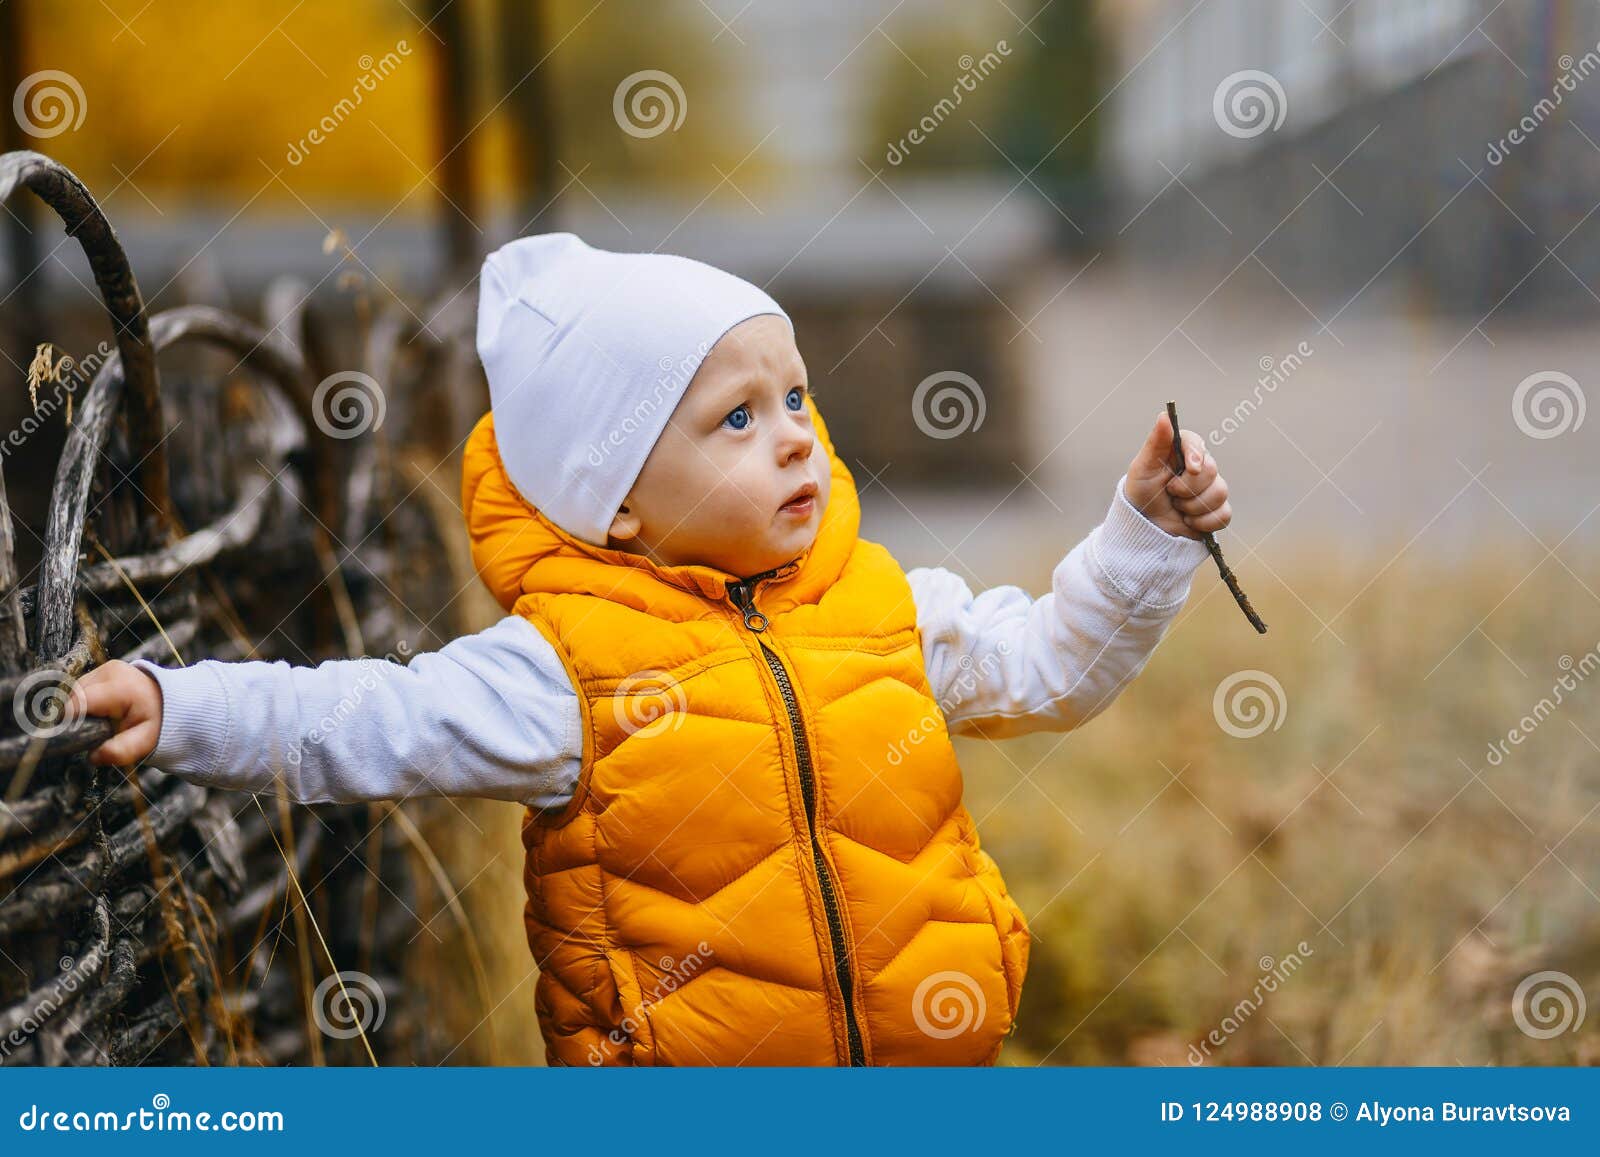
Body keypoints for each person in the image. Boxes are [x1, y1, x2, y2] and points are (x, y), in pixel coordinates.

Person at [74, 232, 1232, 1066]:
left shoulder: (888, 606)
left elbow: (1050, 667)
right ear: (614, 501)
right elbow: (365, 721)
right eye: (735, 418)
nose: (792, 440)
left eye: (794, 397)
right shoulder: (560, 675)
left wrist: (1143, 535)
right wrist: (184, 710)